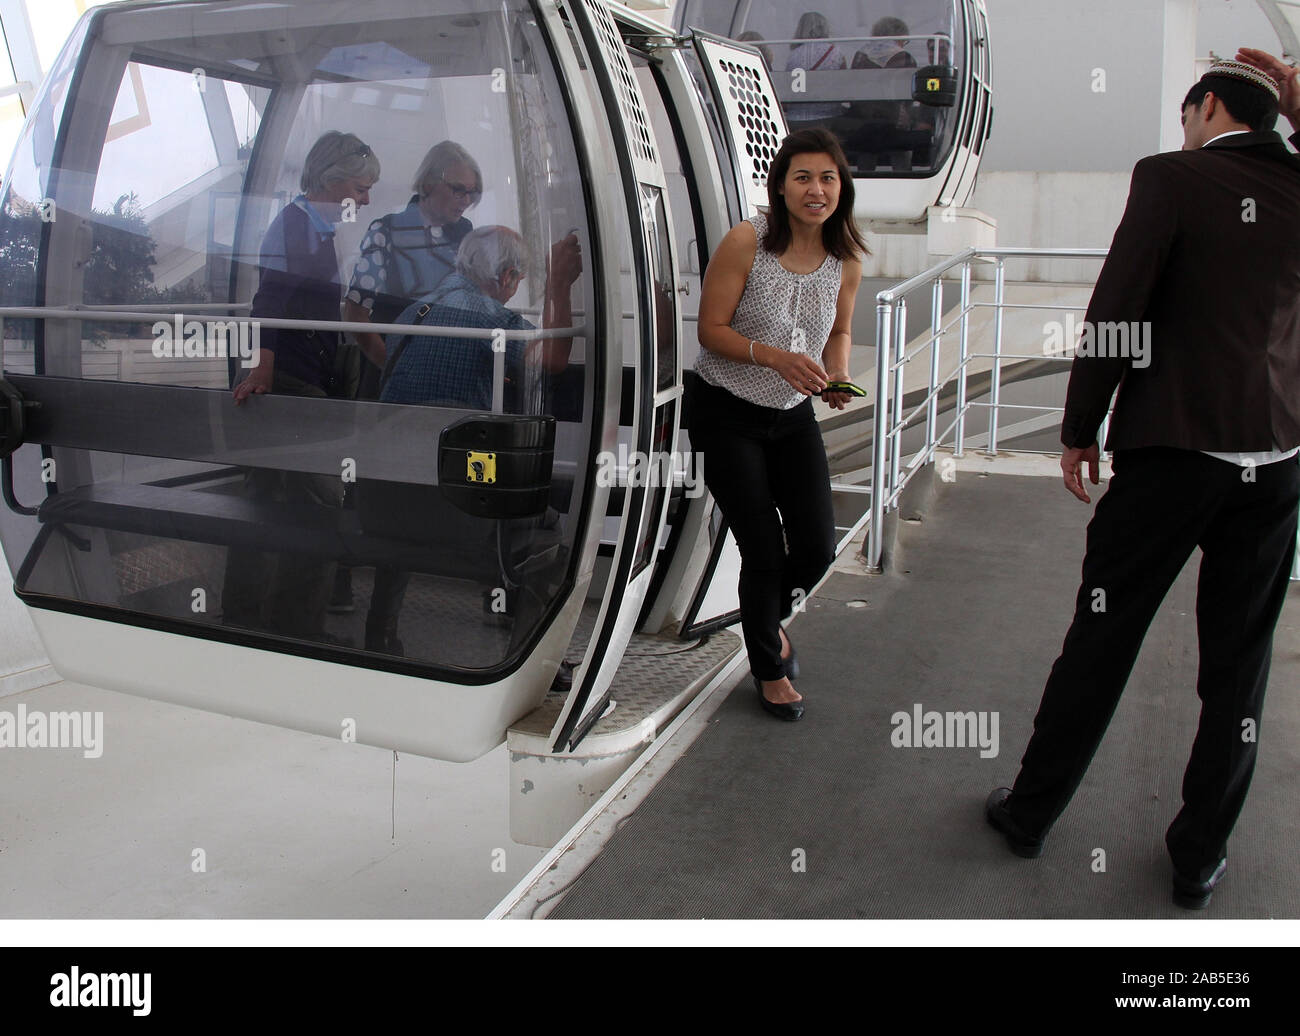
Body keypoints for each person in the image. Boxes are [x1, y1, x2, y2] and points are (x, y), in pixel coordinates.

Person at [985, 60, 1300, 910]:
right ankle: (1199, 858)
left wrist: (1079, 425)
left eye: (1188, 112)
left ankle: (1031, 813)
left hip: (1171, 456)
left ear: (1206, 107)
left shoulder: (1173, 175)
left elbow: (1119, 309)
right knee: (1240, 668)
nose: (1186, 126)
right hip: (1274, 464)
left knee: (1103, 636)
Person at [692, 127, 866, 721]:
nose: (816, 189)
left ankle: (767, 621)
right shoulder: (748, 242)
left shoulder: (846, 261)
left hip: (792, 415)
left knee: (818, 547)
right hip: (726, 411)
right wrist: (776, 357)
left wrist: (835, 373)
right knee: (763, 550)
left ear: (842, 188)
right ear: (782, 187)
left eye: (828, 178)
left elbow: (839, 330)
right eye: (803, 177)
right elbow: (710, 331)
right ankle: (768, 667)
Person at [362, 225, 582, 655]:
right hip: (455, 511)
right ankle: (534, 655)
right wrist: (559, 285)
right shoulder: (491, 319)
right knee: (548, 526)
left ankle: (379, 634)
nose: (515, 290)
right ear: (505, 278)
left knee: (414, 477)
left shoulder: (412, 314)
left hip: (381, 504)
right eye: (517, 281)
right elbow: (553, 360)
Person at [222, 131, 380, 643]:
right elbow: (268, 303)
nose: (367, 198)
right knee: (320, 505)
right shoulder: (296, 228)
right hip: (291, 382)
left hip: (293, 377)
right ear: (333, 183)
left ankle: (246, 617)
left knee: (265, 498)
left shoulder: (311, 227)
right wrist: (262, 370)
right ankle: (296, 626)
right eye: (362, 187)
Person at [847, 16, 921, 171]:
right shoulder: (904, 57)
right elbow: (909, 91)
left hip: (865, 119)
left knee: (866, 161)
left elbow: (853, 86)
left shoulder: (861, 55)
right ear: (899, 36)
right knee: (901, 160)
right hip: (894, 120)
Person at [784, 13, 847, 126]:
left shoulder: (793, 55)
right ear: (825, 28)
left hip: (795, 118)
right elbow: (843, 88)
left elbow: (791, 87)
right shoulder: (835, 53)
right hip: (828, 117)